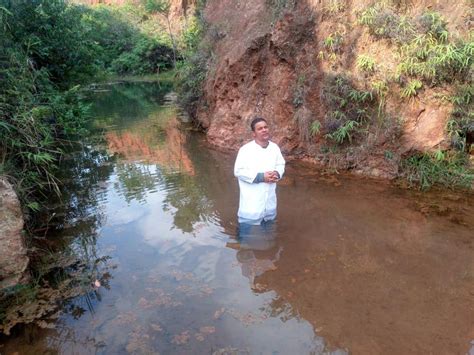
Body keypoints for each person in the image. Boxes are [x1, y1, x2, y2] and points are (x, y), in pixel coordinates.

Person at [234, 117, 285, 226]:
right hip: (251, 209)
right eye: (260, 128)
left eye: (266, 127)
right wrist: (262, 177)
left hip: (270, 208)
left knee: (269, 239)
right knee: (246, 241)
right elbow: (238, 171)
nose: (264, 130)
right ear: (254, 133)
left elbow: (281, 164)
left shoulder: (274, 148)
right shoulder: (245, 150)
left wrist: (277, 173)